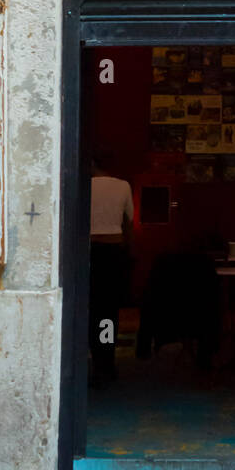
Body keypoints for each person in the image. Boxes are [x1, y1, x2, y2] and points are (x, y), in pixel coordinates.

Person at [88, 163, 134, 383]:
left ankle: (94, 360)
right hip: (113, 252)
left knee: (90, 309)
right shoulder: (123, 186)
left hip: (88, 253)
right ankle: (107, 360)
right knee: (108, 311)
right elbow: (129, 221)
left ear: (91, 164)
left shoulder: (85, 186)